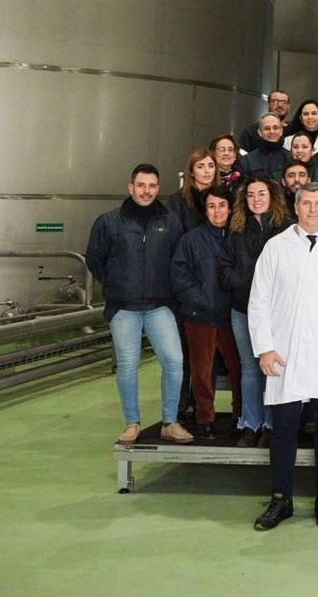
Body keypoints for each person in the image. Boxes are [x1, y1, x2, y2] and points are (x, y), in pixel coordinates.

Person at [249, 183, 318, 530]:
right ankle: (281, 499)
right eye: (307, 203)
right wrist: (264, 347)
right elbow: (259, 301)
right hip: (284, 351)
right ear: (296, 208)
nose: (313, 209)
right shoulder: (276, 247)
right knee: (284, 428)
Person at [86, 163, 192, 446]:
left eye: (153, 186)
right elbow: (94, 258)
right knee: (128, 365)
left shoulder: (170, 222)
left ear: (158, 188)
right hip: (124, 308)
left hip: (160, 306)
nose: (147, 191)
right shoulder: (109, 222)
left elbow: (178, 259)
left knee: (174, 361)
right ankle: (132, 423)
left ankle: (170, 422)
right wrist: (114, 285)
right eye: (141, 185)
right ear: (130, 187)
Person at [220, 178, 290, 446]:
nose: (256, 199)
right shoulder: (236, 228)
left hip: (277, 312)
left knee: (272, 368)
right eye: (250, 195)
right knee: (250, 369)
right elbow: (225, 265)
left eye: (262, 193)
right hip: (243, 307)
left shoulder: (286, 228)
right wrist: (238, 281)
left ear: (272, 196)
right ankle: (251, 423)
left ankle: (271, 424)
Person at [171, 186, 241, 440]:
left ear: (230, 208)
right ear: (205, 209)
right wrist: (199, 300)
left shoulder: (238, 236)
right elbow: (180, 277)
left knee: (239, 369)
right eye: (211, 206)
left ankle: (241, 416)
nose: (217, 211)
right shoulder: (191, 240)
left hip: (233, 316)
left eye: (222, 205)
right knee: (202, 372)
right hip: (200, 316)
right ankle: (205, 418)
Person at [175, 148, 218, 230]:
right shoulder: (178, 200)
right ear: (191, 172)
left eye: (211, 166)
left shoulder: (221, 197)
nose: (207, 170)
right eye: (200, 167)